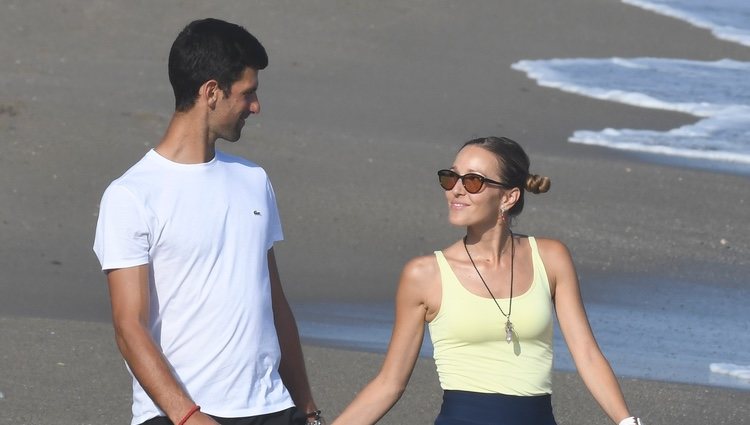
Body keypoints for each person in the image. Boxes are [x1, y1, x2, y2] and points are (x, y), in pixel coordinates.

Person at [93, 18, 322, 425]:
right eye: (248, 93)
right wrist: (187, 416)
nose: (256, 107)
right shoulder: (131, 195)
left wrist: (307, 409)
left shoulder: (254, 180)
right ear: (211, 92)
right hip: (178, 415)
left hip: (270, 408)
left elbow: (274, 304)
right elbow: (130, 328)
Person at [332, 136, 642, 425]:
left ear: (509, 197)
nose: (456, 189)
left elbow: (586, 354)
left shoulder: (550, 257)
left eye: (473, 181)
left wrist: (628, 422)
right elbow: (390, 383)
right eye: (451, 177)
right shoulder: (425, 275)